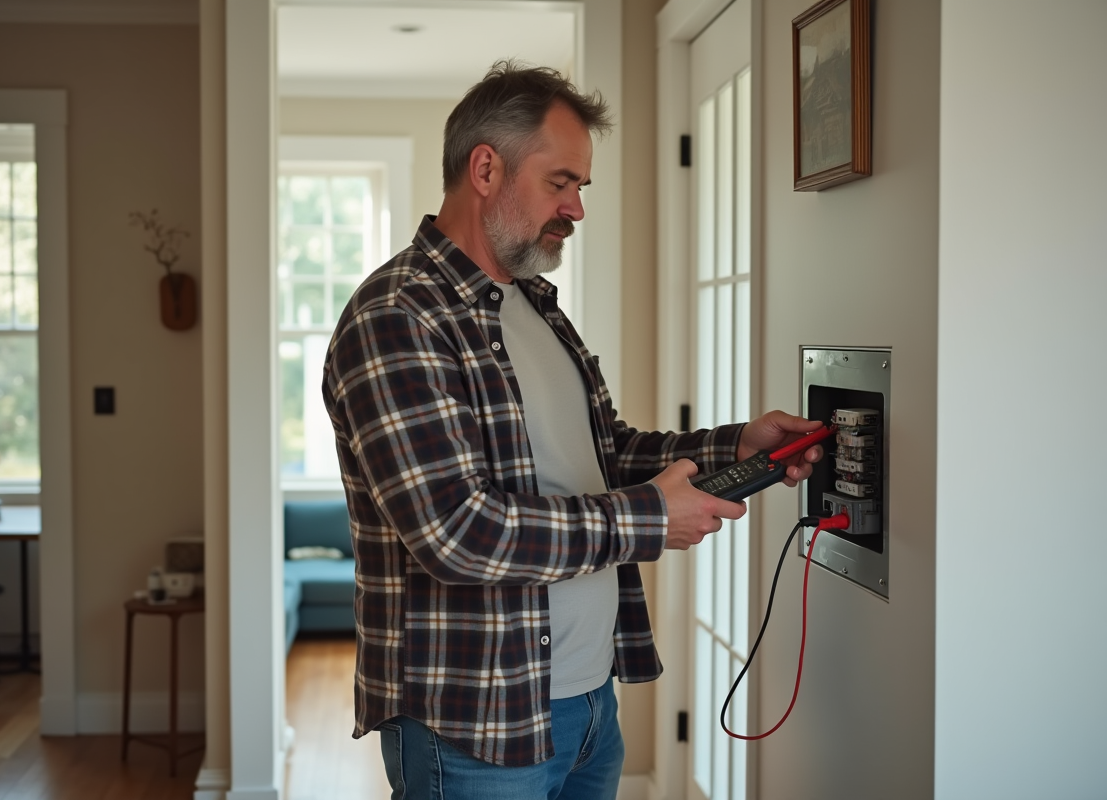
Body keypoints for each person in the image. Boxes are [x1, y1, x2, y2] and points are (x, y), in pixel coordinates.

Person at [322, 61, 822, 800]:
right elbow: (456, 533)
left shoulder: (534, 305)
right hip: (477, 730)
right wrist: (650, 517)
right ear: (485, 168)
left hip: (589, 704)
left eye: (580, 187)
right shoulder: (397, 318)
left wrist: (735, 445)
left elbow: (605, 454)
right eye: (561, 182)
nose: (577, 209)